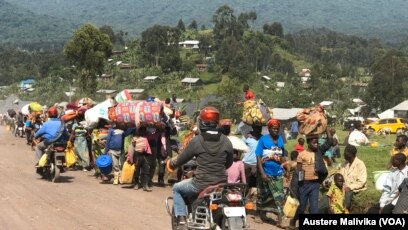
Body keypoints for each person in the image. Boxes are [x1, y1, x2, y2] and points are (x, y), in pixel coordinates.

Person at [167, 106, 233, 230]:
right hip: (222, 184)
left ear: (201, 123)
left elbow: (181, 159)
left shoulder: (197, 141)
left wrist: (171, 163)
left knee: (177, 188)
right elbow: (228, 163)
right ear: (217, 123)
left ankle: (181, 221)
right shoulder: (226, 141)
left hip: (201, 183)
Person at [288, 128, 332, 229]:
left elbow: (329, 141)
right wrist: (298, 187)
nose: (316, 144)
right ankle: (293, 221)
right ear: (308, 143)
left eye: (317, 142)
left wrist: (326, 129)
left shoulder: (319, 151)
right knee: (301, 207)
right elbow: (298, 171)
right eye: (314, 143)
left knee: (314, 209)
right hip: (304, 185)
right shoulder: (302, 155)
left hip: (315, 185)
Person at [255, 119, 286, 226]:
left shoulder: (280, 139)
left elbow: (283, 154)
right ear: (269, 129)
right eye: (273, 129)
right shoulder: (263, 140)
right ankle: (259, 214)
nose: (276, 131)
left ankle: (279, 220)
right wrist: (262, 173)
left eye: (277, 129)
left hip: (277, 172)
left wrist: (285, 167)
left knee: (279, 196)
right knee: (263, 194)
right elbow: (258, 156)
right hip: (265, 172)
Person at [339, 144, 367, 211]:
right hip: (344, 187)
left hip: (353, 188)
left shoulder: (360, 164)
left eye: (345, 153)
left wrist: (350, 187)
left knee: (347, 196)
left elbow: (361, 182)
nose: (344, 155)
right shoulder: (345, 164)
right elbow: (339, 175)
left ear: (351, 154)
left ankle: (344, 210)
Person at [127, 126, 152, 191]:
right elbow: (131, 148)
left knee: (146, 171)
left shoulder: (146, 138)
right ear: (139, 131)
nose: (143, 132)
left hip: (145, 155)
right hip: (137, 155)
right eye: (141, 130)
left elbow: (151, 134)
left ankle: (145, 185)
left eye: (144, 130)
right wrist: (129, 157)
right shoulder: (134, 138)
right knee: (136, 171)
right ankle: (136, 184)